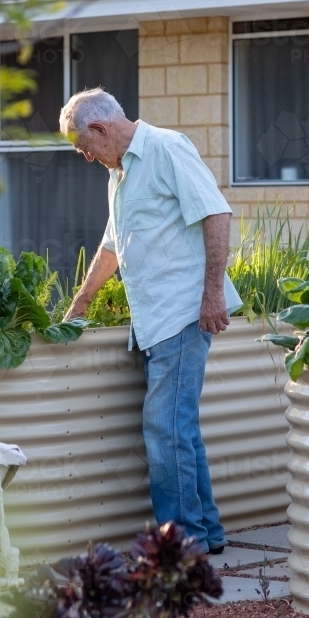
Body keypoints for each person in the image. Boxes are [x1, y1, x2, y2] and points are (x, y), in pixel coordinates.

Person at [60, 88, 242, 555]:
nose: (86, 158)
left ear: (101, 129)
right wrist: (80, 302)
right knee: (179, 430)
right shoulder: (119, 174)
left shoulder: (166, 148)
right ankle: (207, 534)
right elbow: (112, 245)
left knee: (164, 430)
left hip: (183, 313)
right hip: (155, 321)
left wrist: (212, 294)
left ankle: (183, 544)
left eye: (85, 147)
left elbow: (216, 214)